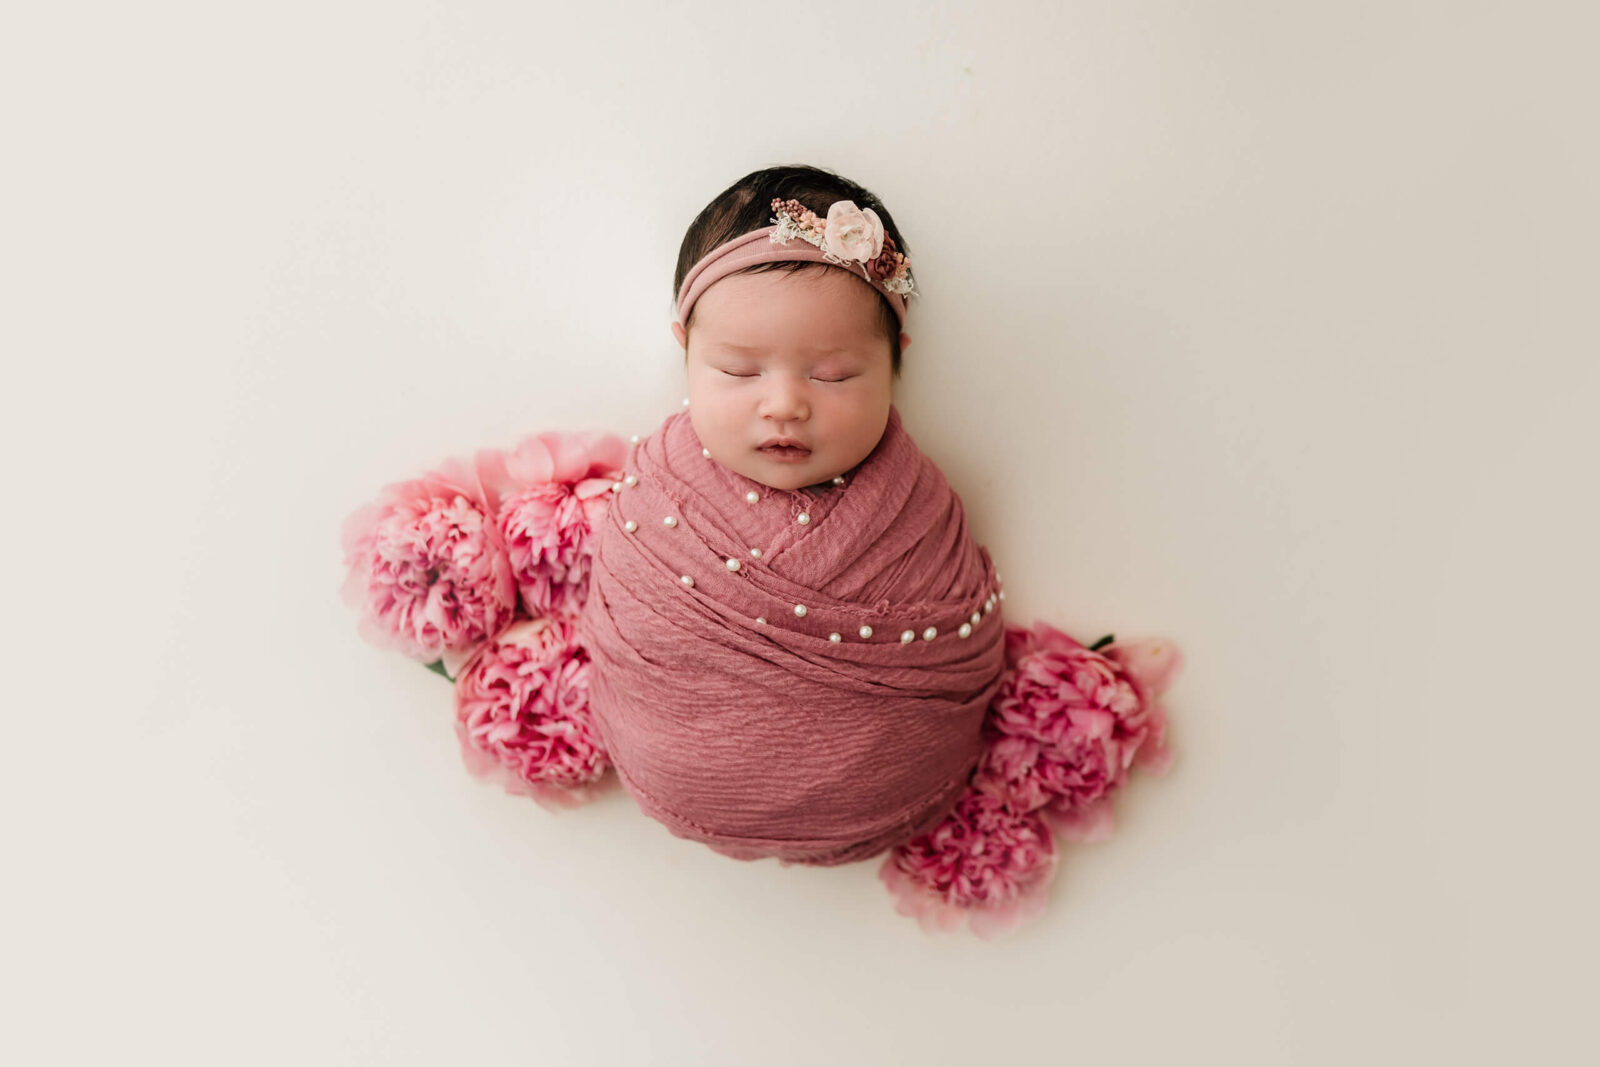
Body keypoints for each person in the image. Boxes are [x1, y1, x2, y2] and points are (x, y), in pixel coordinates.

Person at [577, 163, 1007, 867]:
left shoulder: (918, 512)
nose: (783, 404)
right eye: (739, 372)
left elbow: (956, 652)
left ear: (896, 358)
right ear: (685, 349)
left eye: (833, 375)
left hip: (891, 798)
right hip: (669, 783)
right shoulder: (654, 498)